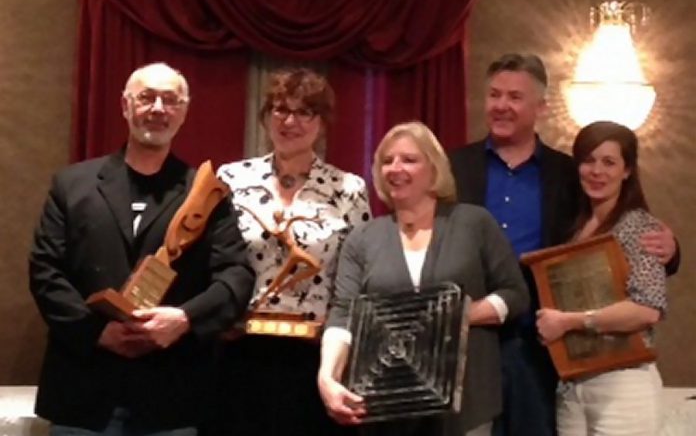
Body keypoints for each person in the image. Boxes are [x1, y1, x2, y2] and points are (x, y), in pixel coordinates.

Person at [448, 53, 679, 436]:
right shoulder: (453, 167)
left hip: (539, 349)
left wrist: (671, 249)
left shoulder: (569, 174)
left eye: (515, 97)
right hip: (468, 344)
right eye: (494, 95)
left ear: (540, 106)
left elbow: (616, 231)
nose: (502, 105)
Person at [29, 62, 255, 436]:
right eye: (147, 97)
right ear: (124, 105)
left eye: (171, 100)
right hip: (83, 392)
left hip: (171, 396)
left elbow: (237, 276)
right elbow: (45, 271)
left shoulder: (207, 193)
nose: (158, 109)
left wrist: (183, 320)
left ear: (184, 111)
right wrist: (95, 332)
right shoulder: (72, 185)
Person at [318, 121, 530, 436]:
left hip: (466, 405)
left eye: (409, 159)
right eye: (387, 161)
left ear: (434, 169)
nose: (395, 168)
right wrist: (327, 376)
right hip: (386, 406)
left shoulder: (474, 223)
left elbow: (515, 294)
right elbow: (343, 314)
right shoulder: (363, 238)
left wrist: (458, 316)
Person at [215, 67, 371, 436]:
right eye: (280, 109)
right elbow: (211, 261)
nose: (290, 121)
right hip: (238, 350)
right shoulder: (230, 179)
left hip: (315, 358)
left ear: (323, 121)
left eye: (305, 112)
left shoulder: (349, 189)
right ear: (266, 117)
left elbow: (356, 282)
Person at [536, 121, 667, 436]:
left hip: (624, 384)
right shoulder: (571, 227)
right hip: (572, 384)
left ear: (627, 171)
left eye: (609, 162)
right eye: (589, 160)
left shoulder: (639, 226)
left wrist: (568, 322)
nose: (597, 171)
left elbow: (648, 309)